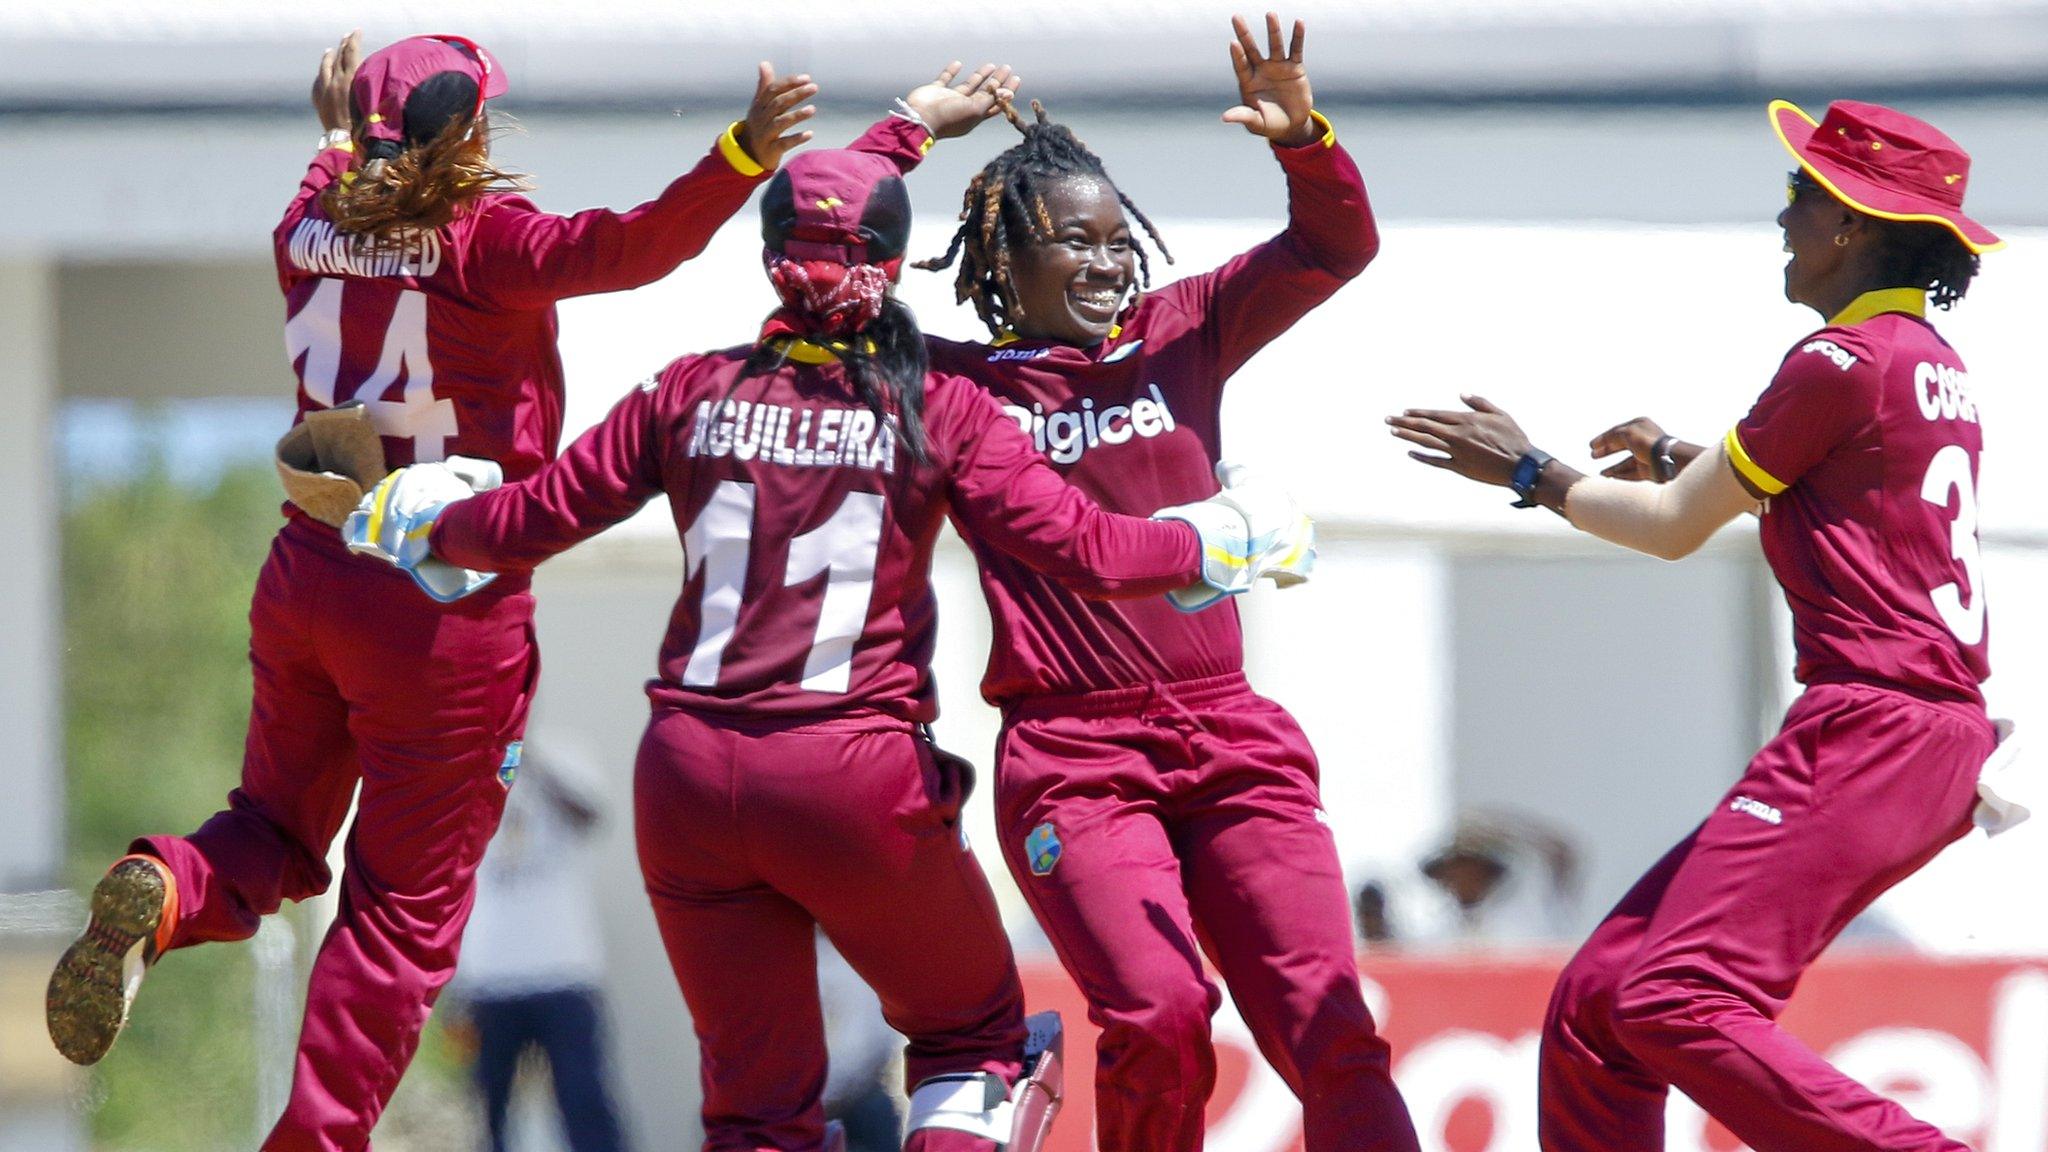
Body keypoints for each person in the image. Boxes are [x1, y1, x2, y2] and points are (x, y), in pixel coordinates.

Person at [344, 145, 1308, 1152]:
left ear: (767, 259)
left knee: (756, 1109)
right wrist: (1220, 538)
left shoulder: (686, 389)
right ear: (894, 264)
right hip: (849, 772)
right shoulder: (939, 402)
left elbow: (521, 525)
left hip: (684, 775)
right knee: (972, 1037)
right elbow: (1092, 550)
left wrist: (416, 519)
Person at [45, 29, 814, 1151]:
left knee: (269, 829)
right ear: (462, 134)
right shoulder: (483, 243)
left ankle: (163, 888)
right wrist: (738, 158)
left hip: (309, 572)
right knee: (400, 918)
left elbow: (331, 183)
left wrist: (330, 135)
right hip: (442, 605)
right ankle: (313, 1140)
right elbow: (634, 246)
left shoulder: (303, 229)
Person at [1387, 98, 2002, 1152]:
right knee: (1596, 1011)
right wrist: (1682, 453)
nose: (1781, 219)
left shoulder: (1837, 363)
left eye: (1799, 197)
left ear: (1850, 224)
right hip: (1912, 731)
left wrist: (1527, 470)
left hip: (1870, 730)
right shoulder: (1919, 360)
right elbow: (1834, 502)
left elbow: (1670, 531)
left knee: (1671, 998)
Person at [851, 13, 1421, 1151]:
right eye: (1074, 242)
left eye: (1119, 240)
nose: (1109, 263)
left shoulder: (1184, 332)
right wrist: (906, 132)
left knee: (1330, 1031)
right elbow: (831, 277)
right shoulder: (956, 384)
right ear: (1005, 261)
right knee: (1159, 1014)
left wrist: (1303, 139)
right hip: (1075, 759)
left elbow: (1333, 247)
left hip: (1233, 740)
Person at [450, 742, 631, 1152]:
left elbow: (590, 816)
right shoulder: (466, 769)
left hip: (563, 971)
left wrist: (524, 756)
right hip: (489, 977)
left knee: (585, 1102)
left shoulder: (562, 761)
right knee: (486, 1112)